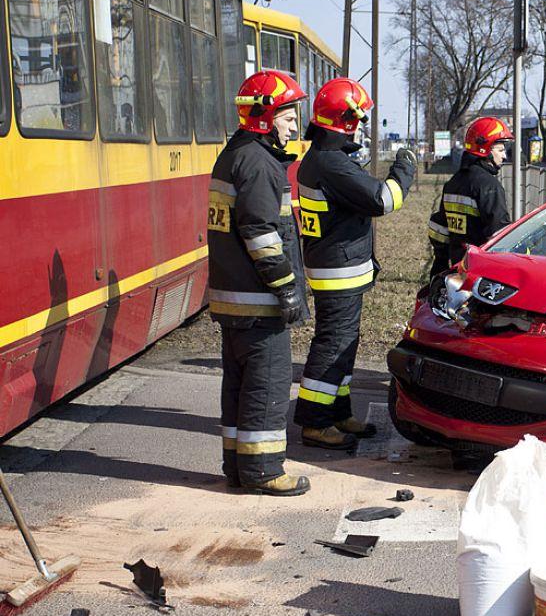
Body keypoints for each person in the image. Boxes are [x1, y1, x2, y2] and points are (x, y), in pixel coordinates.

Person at [293, 78, 416, 450]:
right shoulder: (332, 164)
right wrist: (404, 170)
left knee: (345, 343)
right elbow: (382, 199)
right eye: (359, 119)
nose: (362, 127)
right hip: (338, 272)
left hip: (336, 267)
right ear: (345, 120)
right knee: (333, 345)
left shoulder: (322, 159)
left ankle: (338, 411)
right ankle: (315, 423)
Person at [207, 70, 310, 496]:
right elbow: (262, 235)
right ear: (266, 119)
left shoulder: (232, 156)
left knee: (238, 384)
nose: (293, 126)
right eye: (288, 117)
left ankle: (237, 465)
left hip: (233, 299)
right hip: (259, 300)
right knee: (267, 382)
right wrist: (287, 287)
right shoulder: (260, 164)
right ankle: (264, 470)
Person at [428, 116, 514, 274]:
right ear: (485, 149)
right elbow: (500, 237)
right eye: (500, 150)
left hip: (456, 269)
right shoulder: (490, 187)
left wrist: (440, 261)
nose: (504, 156)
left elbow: (439, 226)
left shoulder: (452, 183)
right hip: (481, 273)